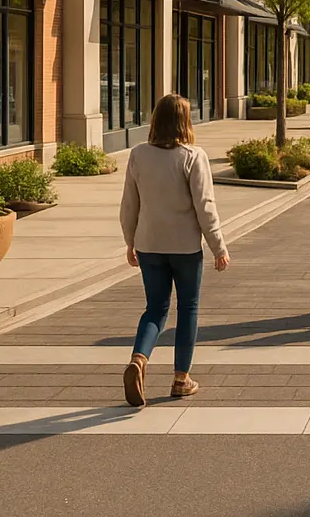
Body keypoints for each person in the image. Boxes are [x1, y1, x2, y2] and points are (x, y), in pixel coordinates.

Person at [118, 93, 230, 407]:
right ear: (186, 122)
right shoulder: (194, 156)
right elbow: (205, 206)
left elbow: (129, 204)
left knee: (155, 309)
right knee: (188, 309)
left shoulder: (138, 154)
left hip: (149, 244)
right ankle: (181, 379)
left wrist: (130, 241)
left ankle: (139, 359)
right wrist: (218, 246)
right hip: (184, 247)